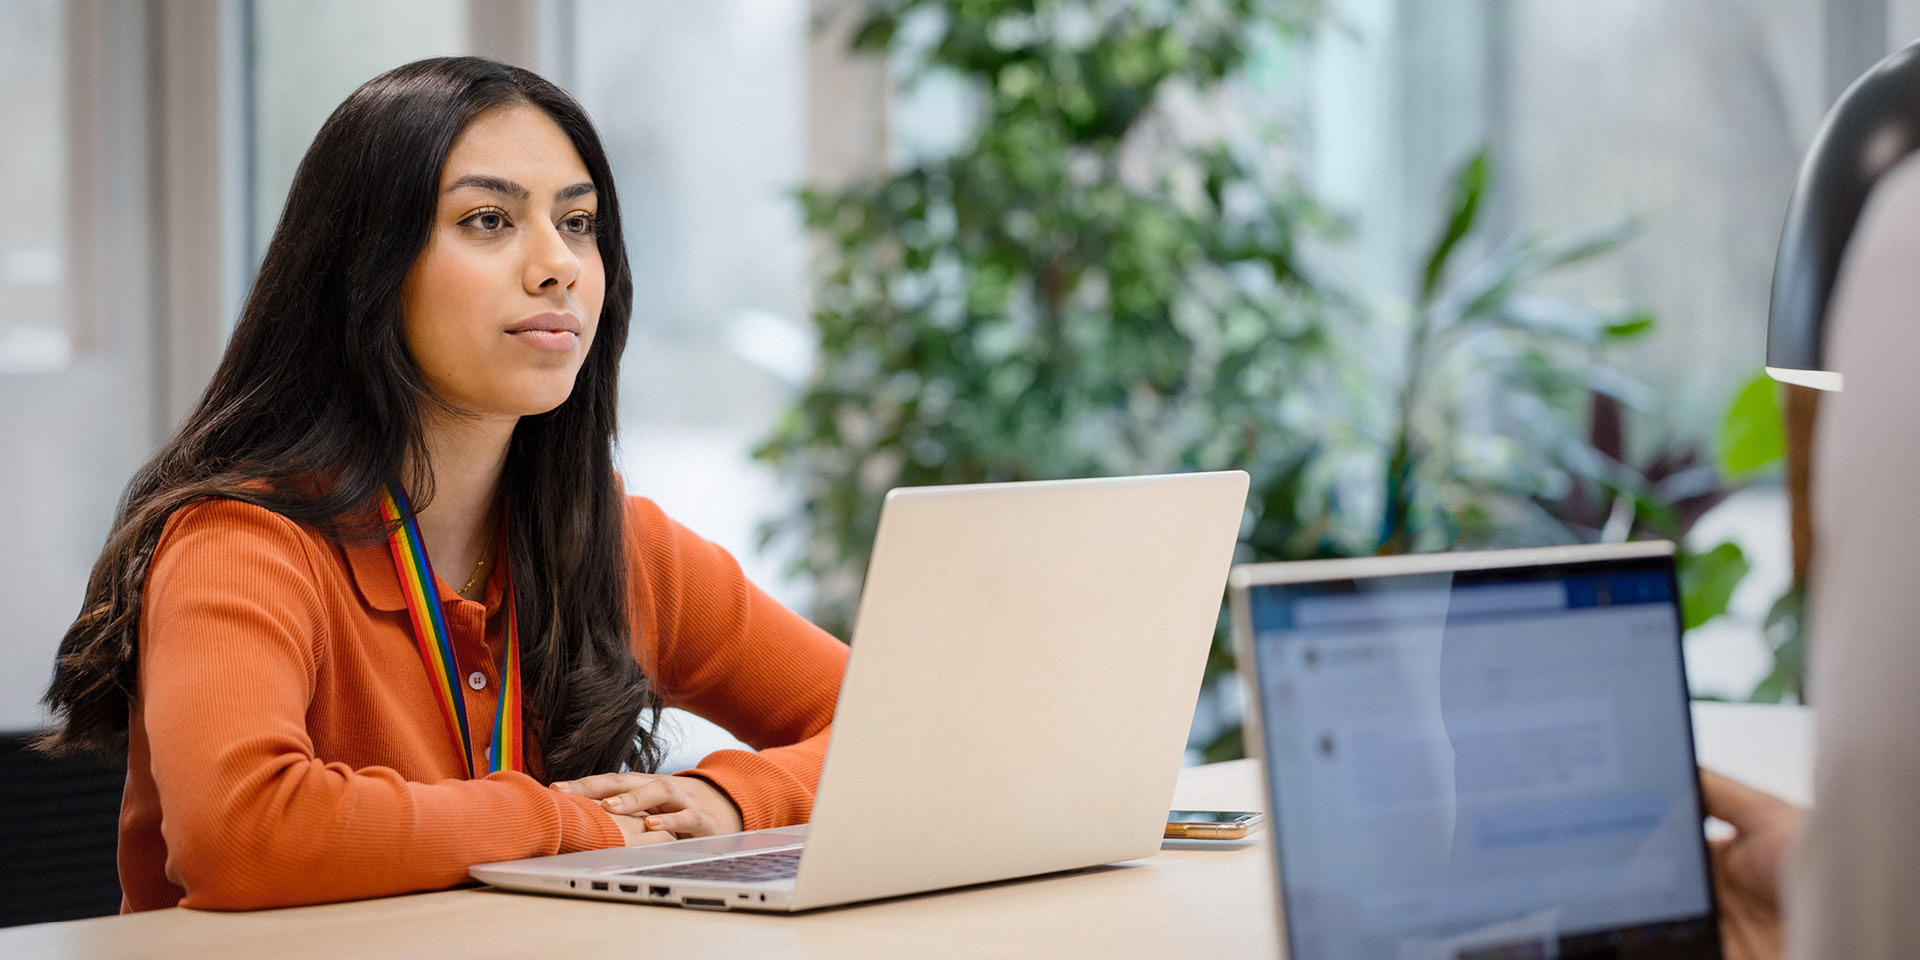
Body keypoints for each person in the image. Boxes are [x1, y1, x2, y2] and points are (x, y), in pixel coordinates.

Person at [36, 57, 849, 912]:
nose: (557, 265)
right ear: (366, 269)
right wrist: (567, 823)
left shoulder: (612, 539)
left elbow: (904, 732)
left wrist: (729, 799)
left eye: (579, 224)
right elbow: (247, 835)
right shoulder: (240, 543)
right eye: (489, 219)